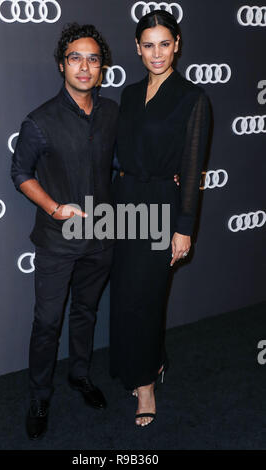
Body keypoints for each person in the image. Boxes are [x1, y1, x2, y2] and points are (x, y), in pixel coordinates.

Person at [11, 23, 119, 440]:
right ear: (62, 65)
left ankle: (79, 375)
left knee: (86, 312)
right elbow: (19, 172)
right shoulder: (39, 120)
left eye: (93, 58)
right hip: (58, 242)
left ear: (102, 67)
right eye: (76, 57)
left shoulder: (112, 113)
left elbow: (123, 161)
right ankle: (40, 395)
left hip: (103, 237)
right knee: (47, 321)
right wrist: (56, 208)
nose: (85, 66)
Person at [110, 10, 211, 427]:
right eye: (148, 45)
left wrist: (183, 228)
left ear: (177, 45)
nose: (157, 53)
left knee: (147, 299)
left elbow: (191, 168)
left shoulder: (193, 98)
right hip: (123, 203)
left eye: (164, 44)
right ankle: (138, 363)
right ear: (137, 48)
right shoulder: (129, 95)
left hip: (161, 205)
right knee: (124, 295)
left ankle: (147, 383)